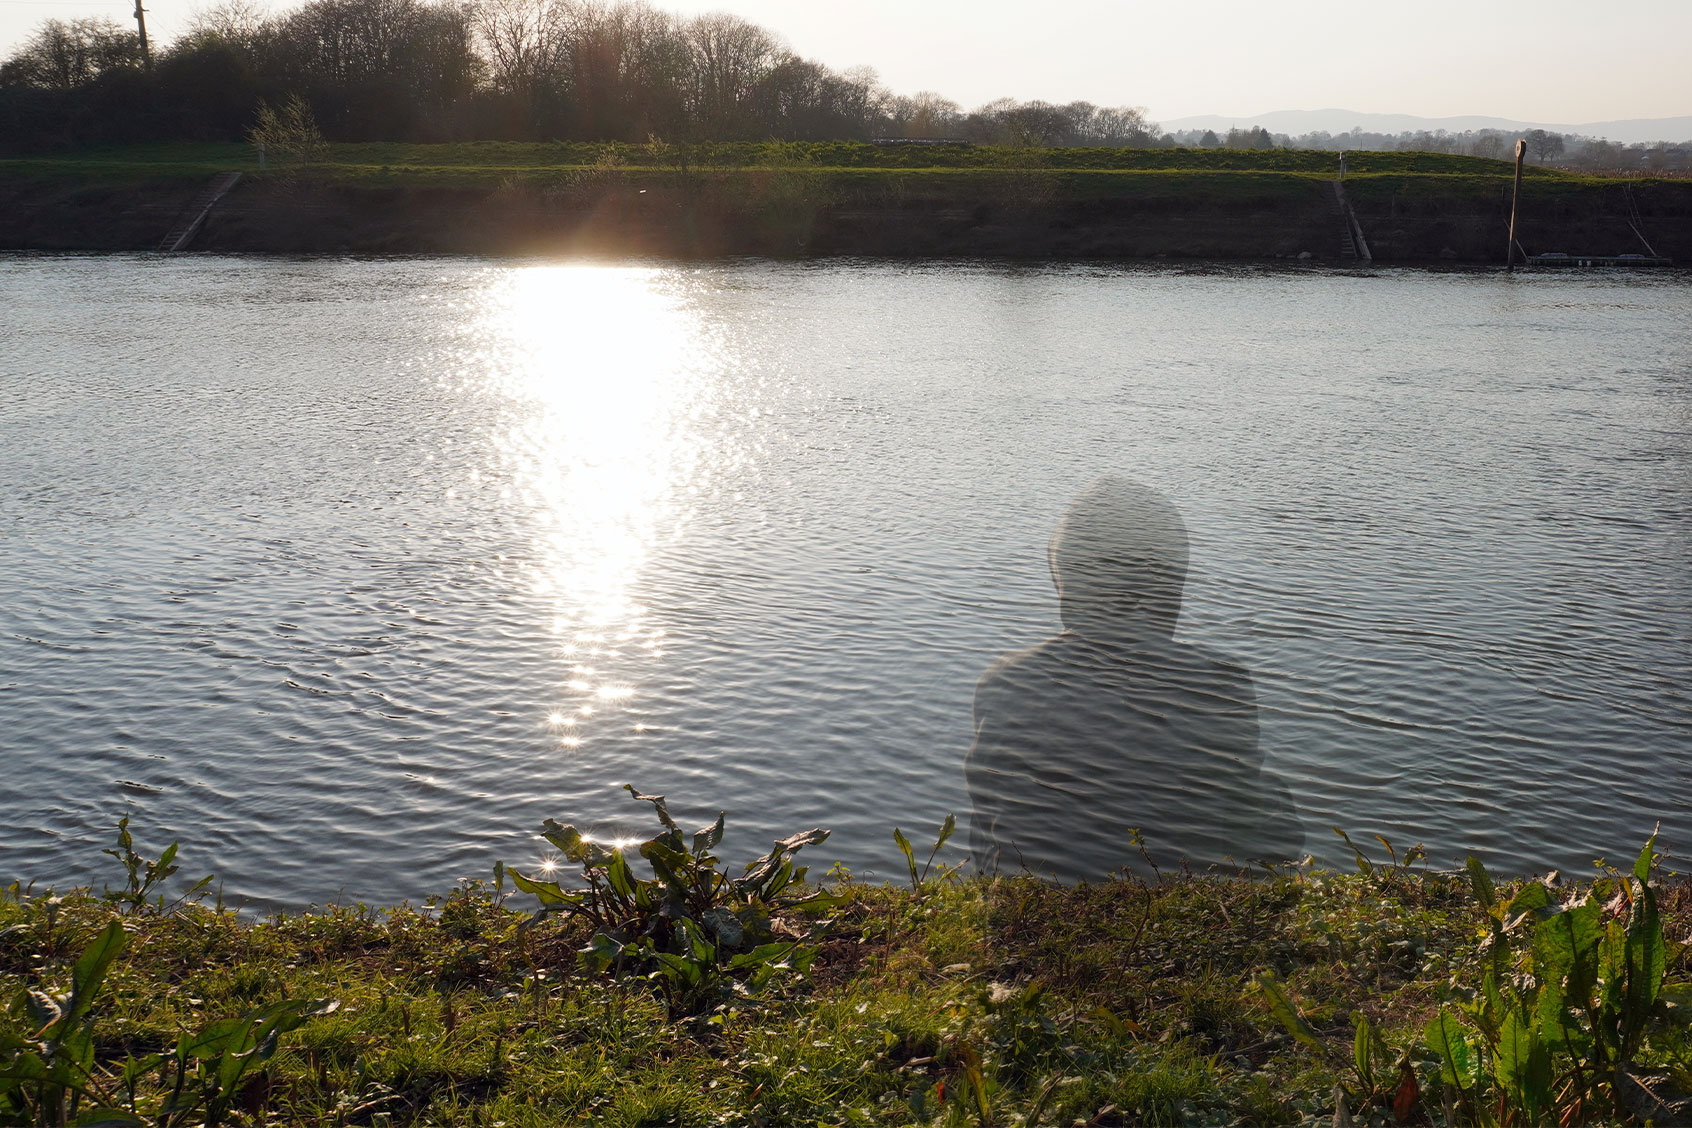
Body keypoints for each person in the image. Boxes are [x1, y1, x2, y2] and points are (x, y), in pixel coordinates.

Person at [965, 477, 1304, 881]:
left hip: (1030, 919)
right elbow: (1254, 827)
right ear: (1170, 588)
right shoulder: (1219, 682)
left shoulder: (1007, 680)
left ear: (1066, 584)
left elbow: (990, 825)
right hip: (1183, 920)